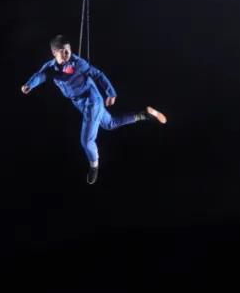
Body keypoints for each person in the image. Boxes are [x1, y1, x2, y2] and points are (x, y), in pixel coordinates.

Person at [21, 35, 167, 184]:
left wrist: (111, 92)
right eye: (63, 51)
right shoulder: (49, 67)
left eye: (68, 51)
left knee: (86, 141)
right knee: (110, 124)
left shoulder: (78, 63)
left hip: (92, 101)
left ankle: (94, 166)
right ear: (54, 53)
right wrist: (29, 85)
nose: (67, 54)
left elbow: (97, 74)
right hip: (80, 102)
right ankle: (144, 115)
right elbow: (40, 75)